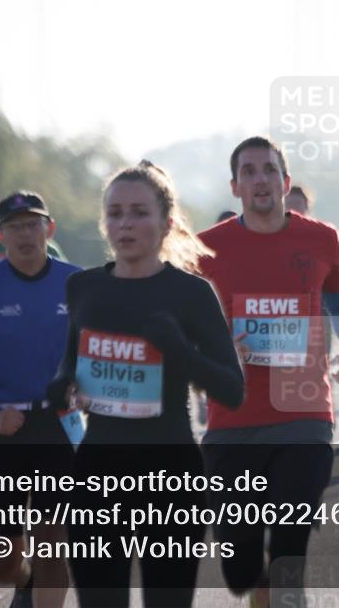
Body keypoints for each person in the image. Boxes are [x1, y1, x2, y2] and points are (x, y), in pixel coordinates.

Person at [47, 161, 244, 607]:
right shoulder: (84, 287)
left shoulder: (190, 293)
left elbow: (231, 389)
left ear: (166, 222)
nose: (125, 223)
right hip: (97, 472)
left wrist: (179, 351)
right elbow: (70, 364)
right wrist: (60, 386)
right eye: (115, 213)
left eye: (138, 212)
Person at [198, 136, 339, 605]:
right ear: (235, 187)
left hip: (304, 414)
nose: (260, 179)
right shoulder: (207, 248)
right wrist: (214, 345)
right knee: (241, 570)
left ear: (285, 181)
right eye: (248, 171)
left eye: (269, 169)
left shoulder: (321, 239)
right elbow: (184, 318)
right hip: (233, 420)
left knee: (290, 546)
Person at [0, 191, 81, 608]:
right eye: (15, 227)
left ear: (50, 228)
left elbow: (99, 350)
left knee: (52, 542)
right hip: (2, 430)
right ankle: (22, 582)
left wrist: (84, 387)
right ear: (0, 235)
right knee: (1, 561)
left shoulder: (77, 284)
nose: (25, 234)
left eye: (32, 224)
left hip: (57, 426)